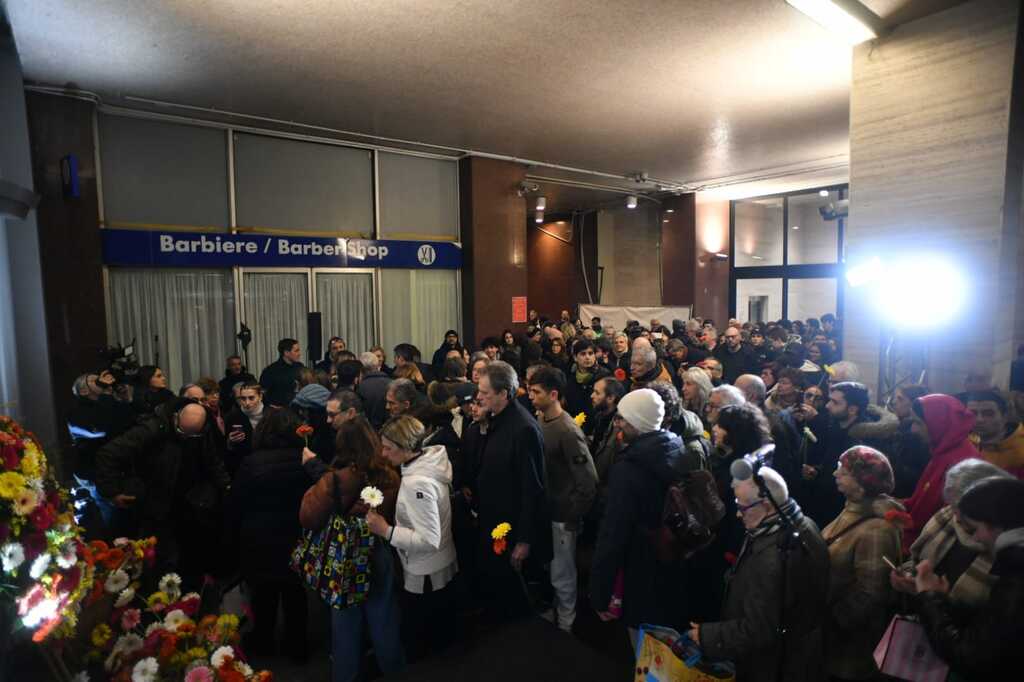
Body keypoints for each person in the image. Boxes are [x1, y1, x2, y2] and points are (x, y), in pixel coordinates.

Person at [690, 466, 830, 682]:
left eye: (742, 507)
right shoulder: (803, 525)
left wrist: (707, 636)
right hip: (798, 656)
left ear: (767, 505)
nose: (737, 514)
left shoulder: (772, 557)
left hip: (772, 665)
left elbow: (759, 629)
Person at [299, 418, 405, 682]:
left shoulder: (335, 479)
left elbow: (308, 517)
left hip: (344, 555)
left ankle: (346, 675)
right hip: (378, 548)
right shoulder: (390, 473)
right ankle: (394, 670)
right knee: (384, 617)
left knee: (345, 622)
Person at [590, 389, 695, 642]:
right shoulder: (676, 448)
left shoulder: (629, 468)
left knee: (644, 649)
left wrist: (600, 591)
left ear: (637, 422)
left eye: (623, 419)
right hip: (672, 560)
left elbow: (613, 534)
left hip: (640, 567)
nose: (618, 423)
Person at [95, 397, 230, 587]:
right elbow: (108, 454)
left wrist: (225, 486)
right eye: (182, 432)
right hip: (153, 499)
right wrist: (112, 491)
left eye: (192, 435)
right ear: (176, 418)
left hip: (186, 499)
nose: (186, 437)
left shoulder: (202, 429)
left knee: (186, 555)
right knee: (156, 556)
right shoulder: (150, 428)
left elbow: (212, 460)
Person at [364, 416, 458, 661]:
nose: (383, 454)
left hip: (425, 571)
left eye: (388, 447)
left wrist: (386, 530)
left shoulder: (417, 484)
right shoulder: (429, 462)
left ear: (406, 447)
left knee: (423, 641)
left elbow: (429, 539)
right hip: (438, 565)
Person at [914, 476, 1024, 677]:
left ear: (997, 524)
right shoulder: (1014, 563)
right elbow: (992, 625)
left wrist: (930, 598)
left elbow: (970, 656)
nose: (976, 537)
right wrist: (942, 600)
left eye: (976, 528)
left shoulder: (1017, 576)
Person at [225, 407, 310, 661]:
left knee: (264, 594)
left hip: (259, 536)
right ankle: (297, 645)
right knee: (296, 593)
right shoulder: (305, 459)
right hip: (297, 534)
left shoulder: (252, 463)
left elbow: (236, 503)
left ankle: (263, 641)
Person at [474, 361, 551, 621]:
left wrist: (524, 539)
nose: (478, 397)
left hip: (512, 525)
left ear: (503, 394)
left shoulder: (523, 429)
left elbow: (533, 488)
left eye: (484, 393)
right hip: (494, 517)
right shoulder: (495, 419)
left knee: (515, 594)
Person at [821, 447, 904, 681]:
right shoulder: (853, 510)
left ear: (862, 481)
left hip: (849, 651)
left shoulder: (877, 529)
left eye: (843, 471)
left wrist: (831, 622)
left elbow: (872, 594)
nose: (835, 474)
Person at [527, 367, 598, 633]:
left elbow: (588, 482)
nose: (531, 397)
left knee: (563, 573)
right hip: (548, 510)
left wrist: (572, 515)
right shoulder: (541, 418)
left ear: (553, 394)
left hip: (562, 515)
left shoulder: (568, 430)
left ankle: (567, 623)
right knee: (551, 568)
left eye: (536, 392)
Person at [891, 458, 1012, 610]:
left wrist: (933, 597)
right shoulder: (946, 518)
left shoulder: (1009, 550)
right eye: (951, 504)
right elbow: (917, 562)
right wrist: (908, 576)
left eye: (962, 508)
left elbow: (988, 626)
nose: (955, 515)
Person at [903, 393, 979, 548]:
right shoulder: (942, 452)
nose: (913, 430)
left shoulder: (961, 464)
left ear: (938, 423)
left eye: (918, 423)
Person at [801, 382, 872, 529]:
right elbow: (831, 462)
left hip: (841, 512)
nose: (827, 406)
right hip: (824, 503)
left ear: (852, 409)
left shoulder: (862, 443)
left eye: (835, 402)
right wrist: (817, 471)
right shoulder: (836, 427)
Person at [888, 384, 933, 497]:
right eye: (894, 398)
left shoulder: (918, 435)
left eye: (900, 399)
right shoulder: (898, 428)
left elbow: (916, 477)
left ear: (914, 403)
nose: (893, 402)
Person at [967, 389, 1024, 478]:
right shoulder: (966, 442)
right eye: (973, 413)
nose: (979, 420)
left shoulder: (1020, 450)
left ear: (1005, 417)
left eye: (988, 414)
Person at [564, 338, 611, 434]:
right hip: (574, 427)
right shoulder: (570, 377)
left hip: (596, 428)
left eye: (590, 353)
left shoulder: (604, 376)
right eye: (583, 354)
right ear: (575, 357)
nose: (587, 357)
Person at [223, 382, 265, 477]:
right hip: (244, 467)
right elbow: (227, 450)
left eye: (251, 398)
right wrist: (230, 442)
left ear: (260, 396)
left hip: (268, 464)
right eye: (243, 398)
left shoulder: (271, 414)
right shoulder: (232, 417)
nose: (247, 403)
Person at [260, 338, 304, 407]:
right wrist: (270, 406)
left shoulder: (300, 367)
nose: (299, 354)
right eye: (296, 351)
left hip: (298, 409)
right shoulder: (270, 371)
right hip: (279, 412)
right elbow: (262, 393)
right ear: (286, 353)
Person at [357, 350, 392, 429]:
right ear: (377, 366)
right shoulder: (392, 383)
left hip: (367, 430)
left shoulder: (360, 387)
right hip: (389, 429)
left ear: (361, 368)